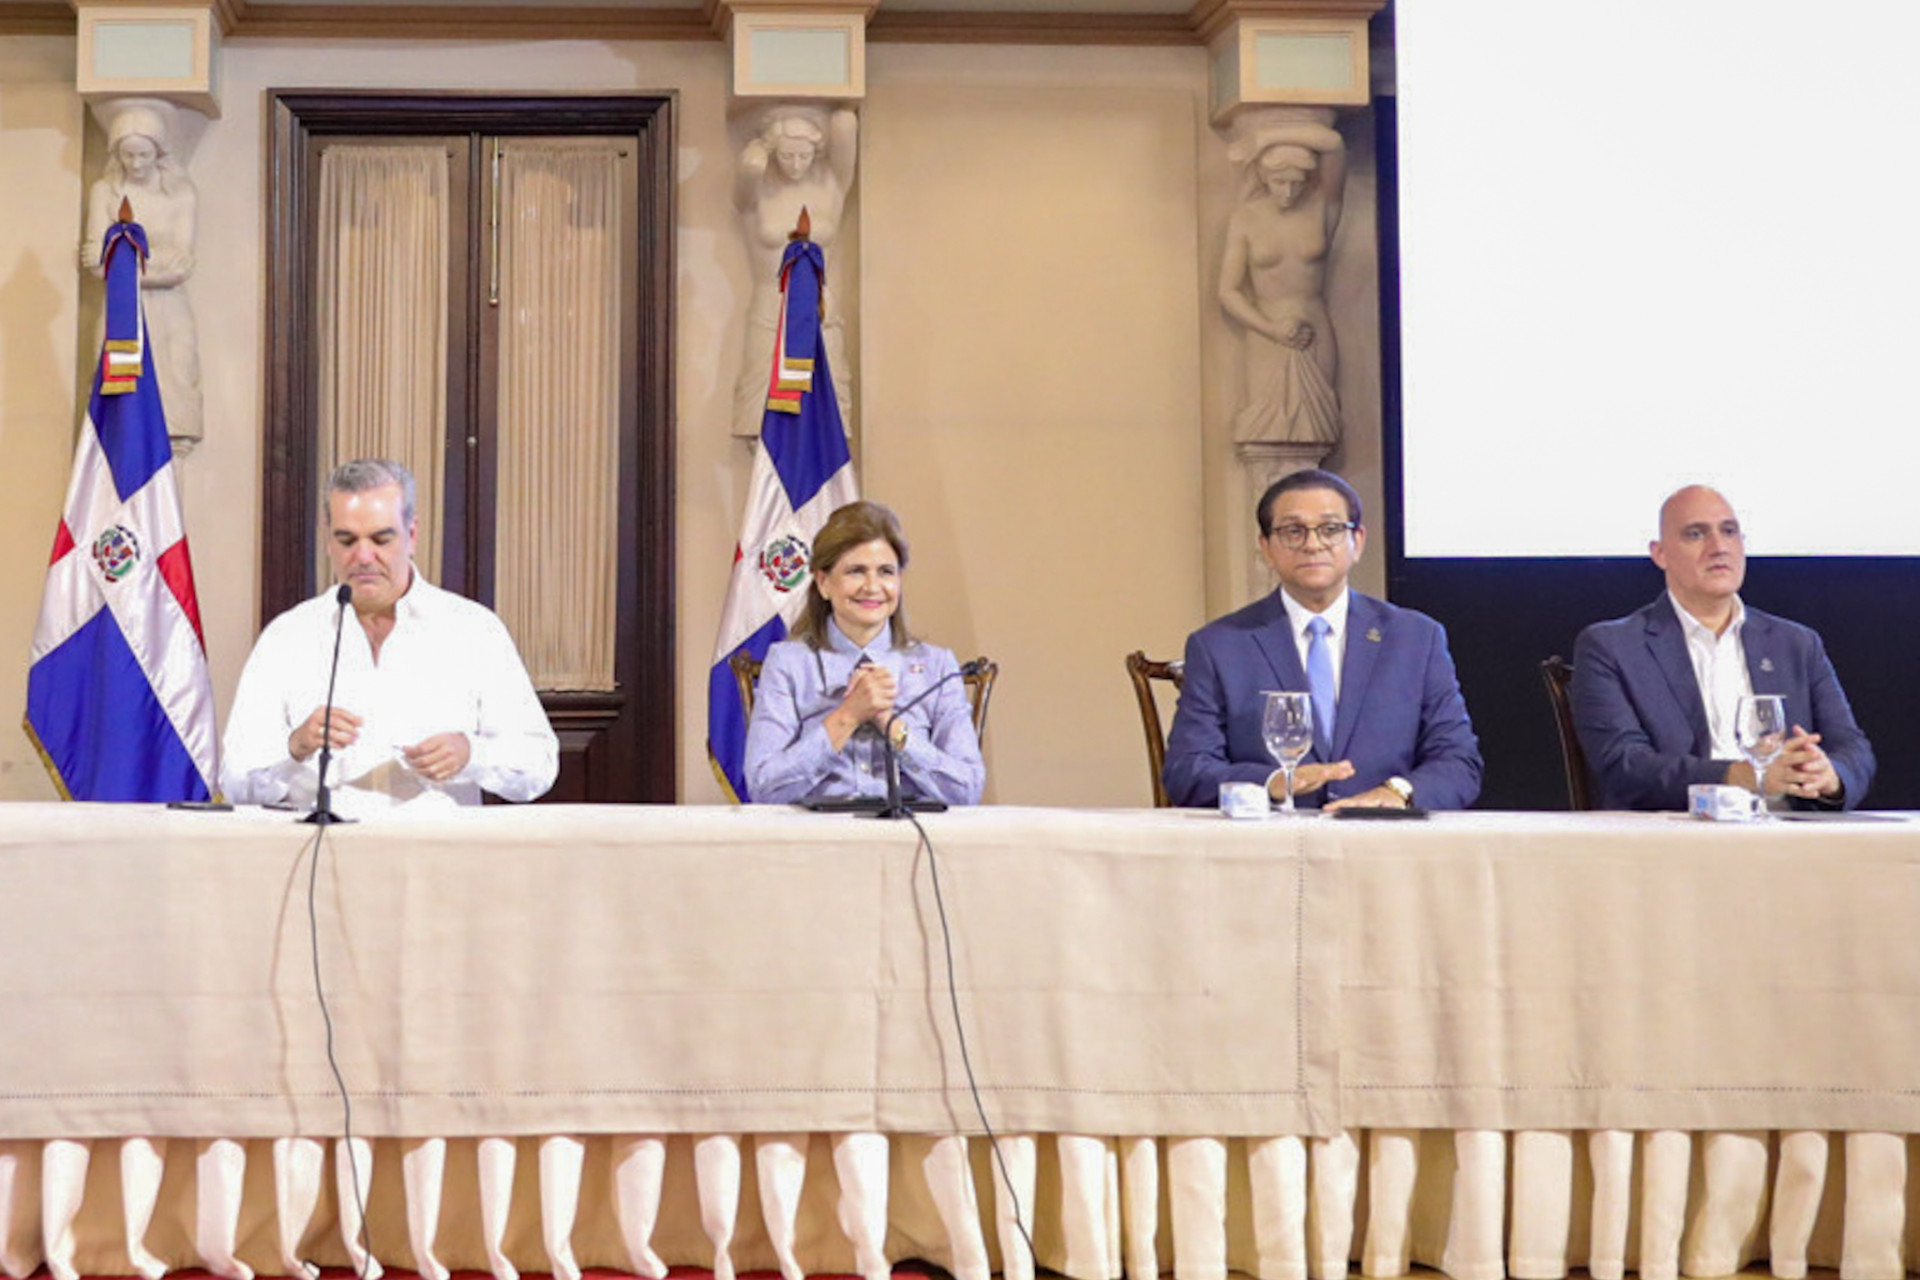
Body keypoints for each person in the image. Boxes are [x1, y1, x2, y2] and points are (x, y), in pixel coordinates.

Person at [221, 457, 559, 814]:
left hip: (436, 847)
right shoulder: (287, 637)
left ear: (411, 535)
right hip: (320, 846)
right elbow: (235, 784)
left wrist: (470, 754)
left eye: (381, 539)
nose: (363, 556)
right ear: (327, 540)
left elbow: (539, 766)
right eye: (347, 540)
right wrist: (296, 747)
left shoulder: (474, 630)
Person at [1163, 468, 1482, 810]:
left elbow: (1458, 761)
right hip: (1272, 837)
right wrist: (1272, 782)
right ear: (1266, 548)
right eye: (1293, 531)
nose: (1313, 545)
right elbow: (1186, 769)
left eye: (1330, 529)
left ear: (1358, 541)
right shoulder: (1220, 646)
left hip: (1384, 835)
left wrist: (1398, 793)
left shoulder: (1416, 639)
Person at [1569, 484, 1873, 810]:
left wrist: (1829, 776)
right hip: (1674, 831)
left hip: (1786, 831)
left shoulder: (1797, 644)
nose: (1719, 547)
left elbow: (1852, 747)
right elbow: (1624, 766)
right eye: (1696, 534)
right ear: (1660, 554)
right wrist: (1742, 776)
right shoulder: (1612, 647)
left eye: (1729, 531)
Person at [744, 500, 984, 805]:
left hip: (914, 833)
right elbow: (763, 787)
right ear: (823, 582)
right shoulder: (788, 664)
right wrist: (848, 716)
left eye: (886, 572)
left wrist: (889, 723)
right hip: (818, 833)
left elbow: (966, 791)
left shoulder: (937, 666)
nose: (872, 587)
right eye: (856, 571)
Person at [81, 103, 204, 448]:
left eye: (143, 155)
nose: (135, 164)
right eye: (128, 155)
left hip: (169, 308)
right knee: (117, 395)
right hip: (121, 309)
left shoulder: (180, 193)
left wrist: (121, 264)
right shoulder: (104, 191)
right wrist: (152, 265)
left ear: (159, 152)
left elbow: (181, 266)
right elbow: (96, 264)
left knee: (175, 380)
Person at [1218, 116, 1347, 445]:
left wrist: (1266, 137)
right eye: (1279, 182)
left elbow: (1333, 143)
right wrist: (1271, 328)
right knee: (1266, 432)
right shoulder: (1247, 217)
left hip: (1314, 330)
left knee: (1315, 432)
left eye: (1296, 183)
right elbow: (1228, 291)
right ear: (1264, 176)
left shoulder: (1323, 207)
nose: (1288, 192)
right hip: (1268, 334)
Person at [732, 106, 857, 438]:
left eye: (804, 156)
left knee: (830, 399)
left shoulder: (831, 185)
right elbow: (746, 177)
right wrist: (756, 153)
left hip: (819, 308)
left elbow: (845, 123)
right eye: (787, 156)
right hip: (770, 305)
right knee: (759, 404)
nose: (796, 165)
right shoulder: (758, 190)